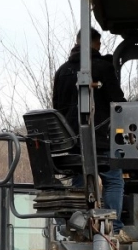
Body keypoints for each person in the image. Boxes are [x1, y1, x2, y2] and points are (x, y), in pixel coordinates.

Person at [52, 31, 126, 216]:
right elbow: (118, 103)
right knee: (113, 180)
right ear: (97, 44)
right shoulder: (104, 68)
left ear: (77, 42)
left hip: (72, 142)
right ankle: (114, 225)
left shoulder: (62, 71)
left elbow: (57, 108)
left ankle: (80, 222)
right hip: (101, 140)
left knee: (80, 179)